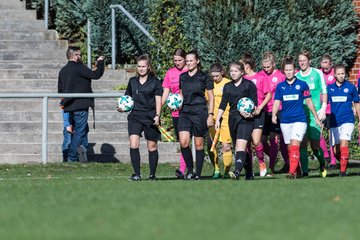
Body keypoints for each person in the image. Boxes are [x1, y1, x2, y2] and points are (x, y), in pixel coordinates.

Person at [272, 56, 322, 179]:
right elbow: (277, 103)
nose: (289, 72)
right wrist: (274, 114)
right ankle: (298, 170)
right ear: (284, 71)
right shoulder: (280, 87)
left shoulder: (302, 85)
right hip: (285, 121)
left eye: (291, 69)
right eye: (287, 70)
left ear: (295, 70)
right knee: (290, 148)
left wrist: (316, 117)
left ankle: (291, 172)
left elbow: (309, 102)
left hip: (300, 120)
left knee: (295, 145)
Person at [58, 46, 105, 162]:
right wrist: (100, 62)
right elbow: (96, 75)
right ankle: (72, 156)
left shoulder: (63, 71)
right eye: (79, 54)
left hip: (69, 106)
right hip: (80, 105)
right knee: (80, 130)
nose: (80, 57)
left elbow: (60, 91)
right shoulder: (79, 67)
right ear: (74, 56)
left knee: (81, 129)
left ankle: (78, 154)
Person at [120, 54, 163, 181]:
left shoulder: (155, 82)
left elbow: (158, 100)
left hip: (150, 117)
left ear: (148, 67)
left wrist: (157, 115)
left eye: (143, 66)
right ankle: (137, 174)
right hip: (135, 116)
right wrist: (122, 107)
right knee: (133, 144)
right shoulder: (132, 81)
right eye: (139, 66)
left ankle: (152, 175)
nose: (141, 69)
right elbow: (127, 98)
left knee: (152, 147)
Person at [215, 61, 257, 180]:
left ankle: (237, 172)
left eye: (236, 71)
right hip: (232, 119)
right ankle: (249, 173)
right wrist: (218, 119)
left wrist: (250, 114)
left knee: (240, 146)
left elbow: (255, 104)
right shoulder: (227, 86)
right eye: (231, 71)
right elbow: (223, 104)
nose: (233, 73)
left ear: (242, 72)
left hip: (246, 120)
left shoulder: (249, 85)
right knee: (241, 148)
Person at [178, 50, 214, 180]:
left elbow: (211, 96)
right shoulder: (182, 77)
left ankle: (198, 173)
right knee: (183, 142)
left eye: (191, 60)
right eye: (186, 61)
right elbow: (181, 94)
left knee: (199, 144)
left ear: (197, 61)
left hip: (200, 111)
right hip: (185, 112)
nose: (188, 63)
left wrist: (210, 114)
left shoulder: (205, 76)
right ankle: (190, 170)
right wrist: (176, 102)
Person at [295, 50, 327, 177]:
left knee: (314, 146)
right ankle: (305, 172)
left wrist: (323, 108)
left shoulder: (317, 73)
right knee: (302, 144)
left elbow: (324, 91)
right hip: (302, 114)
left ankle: (322, 163)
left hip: (315, 114)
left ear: (309, 61)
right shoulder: (297, 76)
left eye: (304, 60)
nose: (302, 63)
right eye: (300, 60)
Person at [240, 53, 272, 177]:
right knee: (246, 142)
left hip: (258, 113)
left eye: (241, 65)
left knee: (256, 141)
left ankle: (261, 162)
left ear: (247, 66)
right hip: (245, 115)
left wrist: (260, 107)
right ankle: (249, 170)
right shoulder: (241, 79)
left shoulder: (261, 77)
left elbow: (268, 94)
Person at [259, 52, 289, 175]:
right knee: (261, 140)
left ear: (274, 64)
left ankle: (273, 168)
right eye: (264, 67)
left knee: (275, 139)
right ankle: (274, 156)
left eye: (268, 67)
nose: (266, 70)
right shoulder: (260, 75)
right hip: (264, 111)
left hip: (278, 110)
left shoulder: (280, 76)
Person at [327, 64, 360, 177]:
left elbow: (356, 103)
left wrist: (359, 118)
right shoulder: (329, 89)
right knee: (336, 151)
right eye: (339, 74)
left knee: (344, 143)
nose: (341, 76)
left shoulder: (350, 88)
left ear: (345, 74)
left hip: (347, 120)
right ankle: (344, 161)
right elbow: (324, 103)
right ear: (335, 75)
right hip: (334, 121)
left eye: (343, 73)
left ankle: (342, 171)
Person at [161, 48, 188, 179]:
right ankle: (186, 168)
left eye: (180, 60)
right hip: (176, 113)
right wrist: (158, 108)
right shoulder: (170, 73)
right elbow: (166, 92)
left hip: (189, 111)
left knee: (192, 141)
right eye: (175, 60)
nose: (177, 63)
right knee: (182, 141)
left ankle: (184, 169)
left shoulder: (190, 71)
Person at [206, 63, 232, 179]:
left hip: (226, 118)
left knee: (226, 146)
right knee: (212, 145)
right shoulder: (209, 85)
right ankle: (216, 169)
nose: (215, 79)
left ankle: (227, 171)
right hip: (213, 118)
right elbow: (207, 101)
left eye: (217, 76)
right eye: (213, 76)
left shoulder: (228, 83)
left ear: (222, 72)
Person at [319, 54, 337, 169]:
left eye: (327, 65)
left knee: (331, 135)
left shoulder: (335, 73)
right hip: (320, 108)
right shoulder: (318, 73)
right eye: (323, 65)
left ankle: (333, 160)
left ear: (331, 64)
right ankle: (326, 156)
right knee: (318, 132)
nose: (325, 68)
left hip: (332, 108)